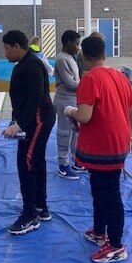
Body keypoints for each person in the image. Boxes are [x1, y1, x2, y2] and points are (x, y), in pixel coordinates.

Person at [64, 35, 132, 263]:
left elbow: (84, 115)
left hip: (103, 147)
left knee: (109, 194)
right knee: (99, 188)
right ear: (104, 54)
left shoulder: (90, 79)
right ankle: (99, 231)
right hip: (117, 143)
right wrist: (128, 135)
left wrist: (69, 111)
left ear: (83, 57)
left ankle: (115, 246)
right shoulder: (121, 76)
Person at [1, 30, 56, 235]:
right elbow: (21, 97)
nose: (5, 52)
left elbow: (34, 98)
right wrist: (16, 120)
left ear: (17, 47)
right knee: (37, 161)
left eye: (7, 48)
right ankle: (40, 206)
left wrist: (19, 125)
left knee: (26, 163)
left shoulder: (32, 65)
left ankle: (29, 215)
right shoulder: (25, 63)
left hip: (38, 120)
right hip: (32, 120)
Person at [53, 30, 83, 180]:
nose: (78, 47)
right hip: (64, 100)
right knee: (64, 132)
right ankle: (63, 165)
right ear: (68, 43)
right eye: (76, 44)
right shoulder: (61, 59)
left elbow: (74, 81)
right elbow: (71, 84)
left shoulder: (70, 58)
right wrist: (87, 82)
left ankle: (76, 160)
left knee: (75, 131)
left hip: (73, 100)